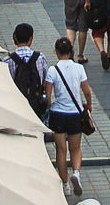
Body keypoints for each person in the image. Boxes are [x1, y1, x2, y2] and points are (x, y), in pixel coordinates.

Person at [44, 35, 93, 199]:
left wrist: (49, 109)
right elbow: (86, 91)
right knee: (75, 148)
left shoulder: (52, 70)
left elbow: (48, 96)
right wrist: (89, 105)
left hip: (58, 114)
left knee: (61, 150)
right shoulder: (79, 68)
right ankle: (76, 173)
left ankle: (65, 185)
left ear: (56, 52)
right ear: (71, 51)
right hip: (74, 114)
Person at [6, 21, 49, 127]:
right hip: (36, 103)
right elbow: (45, 81)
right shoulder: (40, 57)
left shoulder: (8, 60)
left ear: (15, 37)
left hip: (16, 104)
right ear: (31, 38)